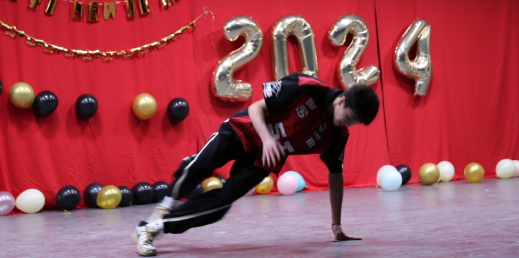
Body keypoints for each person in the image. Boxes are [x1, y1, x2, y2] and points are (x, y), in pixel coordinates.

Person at [133, 72, 380, 256]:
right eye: (349, 117)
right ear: (341, 101)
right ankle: (165, 205)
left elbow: (336, 176)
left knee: (220, 206)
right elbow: (256, 108)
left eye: (354, 123)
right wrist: (267, 138)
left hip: (264, 160)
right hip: (241, 131)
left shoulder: (337, 135)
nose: (348, 124)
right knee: (198, 166)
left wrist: (336, 225)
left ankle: (152, 228)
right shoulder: (306, 87)